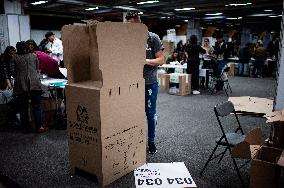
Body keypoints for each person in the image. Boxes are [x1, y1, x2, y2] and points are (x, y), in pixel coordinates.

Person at [125, 11, 164, 154]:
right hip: (132, 83)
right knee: (133, 113)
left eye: (132, 25)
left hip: (149, 83)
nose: (129, 29)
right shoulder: (127, 39)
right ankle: (135, 139)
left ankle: (151, 141)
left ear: (139, 23)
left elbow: (161, 60)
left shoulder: (152, 38)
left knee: (150, 113)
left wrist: (145, 61)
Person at [11, 41, 47, 133]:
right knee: (37, 106)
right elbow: (37, 68)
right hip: (34, 84)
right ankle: (39, 127)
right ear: (26, 47)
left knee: (23, 108)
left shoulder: (14, 58)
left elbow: (13, 73)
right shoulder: (33, 56)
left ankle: (26, 128)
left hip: (21, 85)